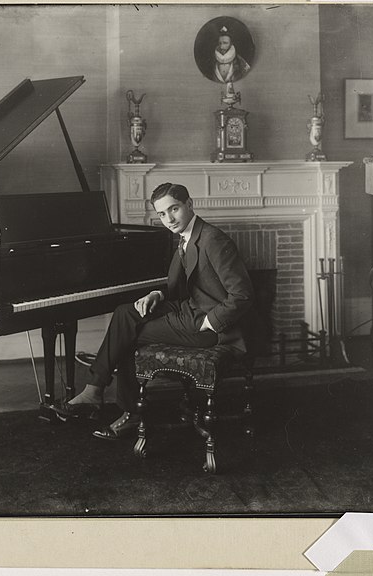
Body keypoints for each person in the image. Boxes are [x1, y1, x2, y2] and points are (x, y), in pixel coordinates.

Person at [60, 182, 254, 439]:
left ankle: (121, 407)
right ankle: (98, 390)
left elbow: (242, 295)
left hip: (207, 326)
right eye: (162, 214)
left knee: (128, 334)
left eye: (174, 209)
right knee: (125, 313)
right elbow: (177, 286)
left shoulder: (213, 240)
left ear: (189, 204)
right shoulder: (187, 237)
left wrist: (211, 322)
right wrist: (157, 294)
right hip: (189, 309)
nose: (169, 219)